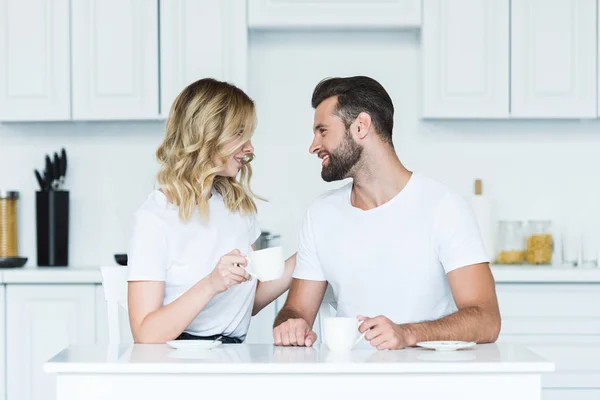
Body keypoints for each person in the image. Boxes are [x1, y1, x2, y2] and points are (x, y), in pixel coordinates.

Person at [273, 76, 500, 350]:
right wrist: (291, 324)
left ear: (361, 126)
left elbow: (487, 320)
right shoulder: (320, 215)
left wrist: (407, 334)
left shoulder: (444, 208)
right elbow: (297, 309)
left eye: (322, 131)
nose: (313, 146)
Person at [127, 78, 295, 344]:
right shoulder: (155, 218)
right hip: (175, 360)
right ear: (208, 136)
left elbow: (246, 301)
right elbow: (145, 335)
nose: (250, 148)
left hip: (230, 355)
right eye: (240, 134)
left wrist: (309, 252)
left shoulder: (237, 208)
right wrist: (212, 284)